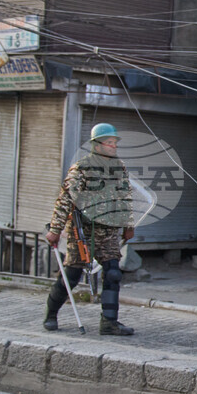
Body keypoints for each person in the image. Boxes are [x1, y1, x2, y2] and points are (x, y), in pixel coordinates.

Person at [44, 123, 135, 335]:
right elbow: (65, 200)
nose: (113, 146)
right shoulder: (81, 168)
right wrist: (55, 229)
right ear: (97, 145)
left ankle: (109, 322)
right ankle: (51, 313)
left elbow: (126, 198)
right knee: (71, 276)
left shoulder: (119, 167)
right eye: (109, 142)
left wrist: (129, 225)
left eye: (115, 142)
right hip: (83, 233)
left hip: (109, 231)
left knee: (113, 273)